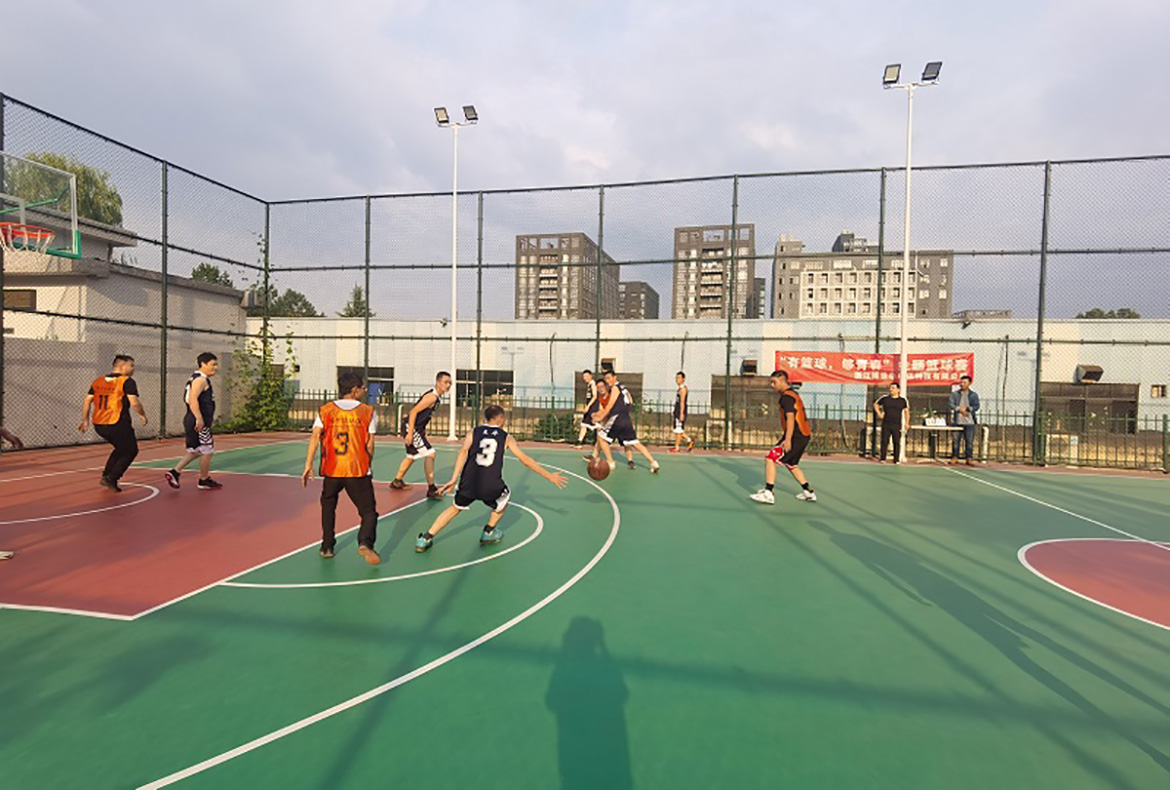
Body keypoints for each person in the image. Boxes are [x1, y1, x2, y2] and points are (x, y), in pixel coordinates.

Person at [415, 404, 567, 553]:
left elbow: (463, 452)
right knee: (505, 496)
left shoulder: (473, 432)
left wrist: (454, 478)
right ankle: (488, 531)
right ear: (500, 419)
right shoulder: (506, 437)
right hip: (491, 485)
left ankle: (426, 538)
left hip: (469, 482)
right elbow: (525, 460)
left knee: (454, 508)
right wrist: (549, 476)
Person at [301, 372, 381, 565]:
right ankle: (365, 543)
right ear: (354, 390)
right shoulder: (367, 411)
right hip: (357, 469)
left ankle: (327, 546)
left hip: (332, 468)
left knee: (328, 505)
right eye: (362, 388)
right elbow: (370, 444)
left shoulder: (326, 410)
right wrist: (368, 462)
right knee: (368, 512)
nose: (364, 391)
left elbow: (315, 436)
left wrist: (308, 464)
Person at [79, 355, 149, 492]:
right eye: (131, 365)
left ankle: (106, 475)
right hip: (117, 422)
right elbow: (134, 402)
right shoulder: (126, 381)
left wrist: (85, 420)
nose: (133, 368)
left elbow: (87, 400)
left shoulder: (98, 381)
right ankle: (112, 477)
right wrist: (142, 415)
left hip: (99, 424)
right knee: (131, 450)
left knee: (121, 448)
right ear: (122, 366)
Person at [750, 370, 817, 505]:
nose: (772, 385)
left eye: (774, 382)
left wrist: (787, 439)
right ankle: (808, 492)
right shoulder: (793, 394)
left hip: (795, 436)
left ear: (782, 381)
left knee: (770, 458)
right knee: (792, 464)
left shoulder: (786, 398)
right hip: (803, 435)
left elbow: (790, 418)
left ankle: (768, 493)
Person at [165, 353, 222, 490]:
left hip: (193, 419)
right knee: (207, 451)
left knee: (195, 450)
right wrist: (199, 418)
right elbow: (192, 399)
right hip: (198, 421)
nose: (216, 367)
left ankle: (175, 472)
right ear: (203, 364)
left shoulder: (197, 378)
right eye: (213, 364)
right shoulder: (201, 380)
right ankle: (204, 479)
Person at [389, 371, 451, 499]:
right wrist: (410, 433)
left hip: (415, 428)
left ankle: (397, 481)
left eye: (450, 383)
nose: (448, 385)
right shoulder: (432, 397)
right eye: (446, 382)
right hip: (412, 428)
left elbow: (422, 415)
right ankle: (431, 489)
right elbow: (413, 412)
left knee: (411, 456)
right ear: (438, 382)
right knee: (430, 453)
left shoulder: (436, 397)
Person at [593, 370, 660, 474]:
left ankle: (611, 462)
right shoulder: (624, 388)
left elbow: (610, 405)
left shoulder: (615, 388)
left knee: (601, 438)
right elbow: (630, 401)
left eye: (609, 378)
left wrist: (601, 416)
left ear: (615, 377)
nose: (607, 381)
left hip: (617, 418)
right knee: (635, 443)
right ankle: (653, 462)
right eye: (606, 379)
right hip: (626, 418)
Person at [874, 382, 910, 464]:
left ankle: (896, 459)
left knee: (896, 441)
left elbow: (907, 412)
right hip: (886, 423)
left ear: (898, 390)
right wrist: (879, 413)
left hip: (897, 424)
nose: (891, 390)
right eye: (890, 388)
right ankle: (883, 458)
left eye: (893, 388)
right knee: (884, 441)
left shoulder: (902, 400)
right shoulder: (885, 399)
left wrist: (907, 423)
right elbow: (876, 404)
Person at [949, 375, 980, 466]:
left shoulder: (973, 395)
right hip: (957, 421)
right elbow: (951, 404)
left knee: (969, 441)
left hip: (969, 422)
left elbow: (976, 406)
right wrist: (959, 409)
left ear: (969, 383)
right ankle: (955, 457)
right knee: (955, 441)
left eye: (964, 382)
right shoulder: (955, 394)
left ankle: (969, 458)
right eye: (961, 382)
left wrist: (968, 409)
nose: (962, 384)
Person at [670, 371, 695, 453]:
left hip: (680, 411)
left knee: (678, 430)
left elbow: (682, 402)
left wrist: (681, 413)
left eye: (679, 378)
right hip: (677, 410)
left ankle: (677, 447)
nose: (677, 380)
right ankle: (689, 440)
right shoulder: (680, 388)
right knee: (678, 429)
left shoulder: (683, 389)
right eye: (676, 378)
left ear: (683, 379)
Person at [573, 370, 599, 448]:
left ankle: (598, 441)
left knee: (595, 425)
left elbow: (595, 396)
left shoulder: (593, 384)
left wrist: (588, 406)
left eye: (587, 376)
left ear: (591, 376)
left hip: (593, 408)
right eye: (584, 377)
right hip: (590, 408)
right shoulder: (589, 385)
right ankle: (580, 441)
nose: (585, 378)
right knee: (585, 424)